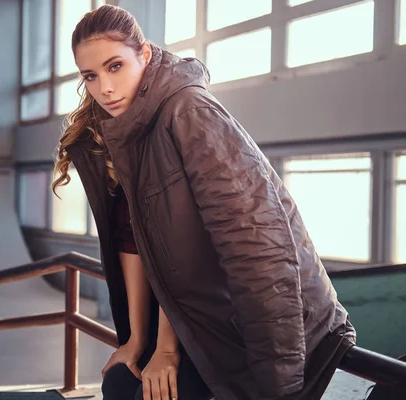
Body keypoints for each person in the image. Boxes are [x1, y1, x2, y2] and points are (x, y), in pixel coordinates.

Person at [51, 5, 356, 400]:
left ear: (143, 55)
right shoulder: (123, 128)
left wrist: (168, 349)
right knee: (122, 382)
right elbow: (139, 240)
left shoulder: (190, 112)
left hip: (273, 327)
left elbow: (255, 247)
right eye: (90, 76)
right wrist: (137, 340)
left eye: (115, 66)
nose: (104, 88)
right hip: (205, 318)